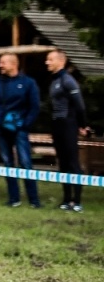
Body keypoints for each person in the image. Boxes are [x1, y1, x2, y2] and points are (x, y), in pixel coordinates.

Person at [0, 52, 42, 208]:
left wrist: (25, 124)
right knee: (8, 163)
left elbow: (34, 106)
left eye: (3, 62)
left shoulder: (28, 83)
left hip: (20, 129)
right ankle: (14, 198)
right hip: (1, 128)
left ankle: (34, 200)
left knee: (25, 162)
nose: (0, 65)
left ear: (14, 64)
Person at [45, 49, 90, 213]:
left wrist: (83, 125)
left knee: (73, 162)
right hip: (57, 125)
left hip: (68, 124)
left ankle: (76, 201)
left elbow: (79, 105)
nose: (46, 62)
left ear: (61, 61)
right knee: (62, 163)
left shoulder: (68, 80)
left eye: (50, 59)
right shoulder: (53, 81)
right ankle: (66, 199)